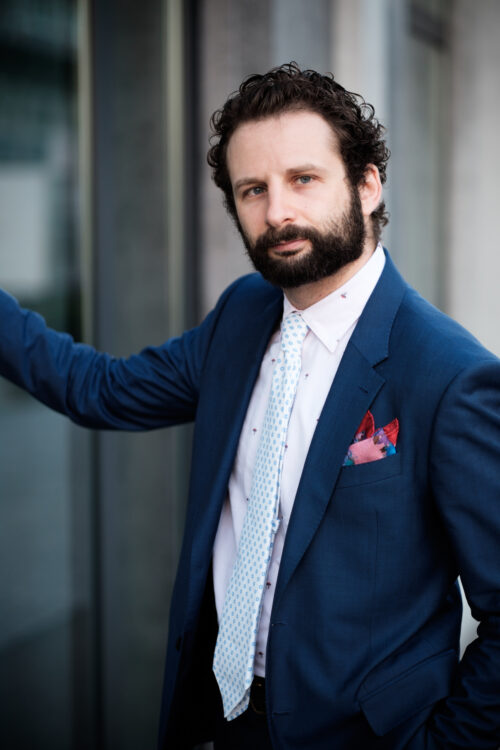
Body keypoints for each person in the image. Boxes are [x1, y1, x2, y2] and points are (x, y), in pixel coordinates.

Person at [0, 62, 499, 750]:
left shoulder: (450, 375)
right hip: (225, 723)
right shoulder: (242, 314)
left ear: (367, 184)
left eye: (303, 179)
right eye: (253, 190)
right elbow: (103, 389)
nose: (277, 212)